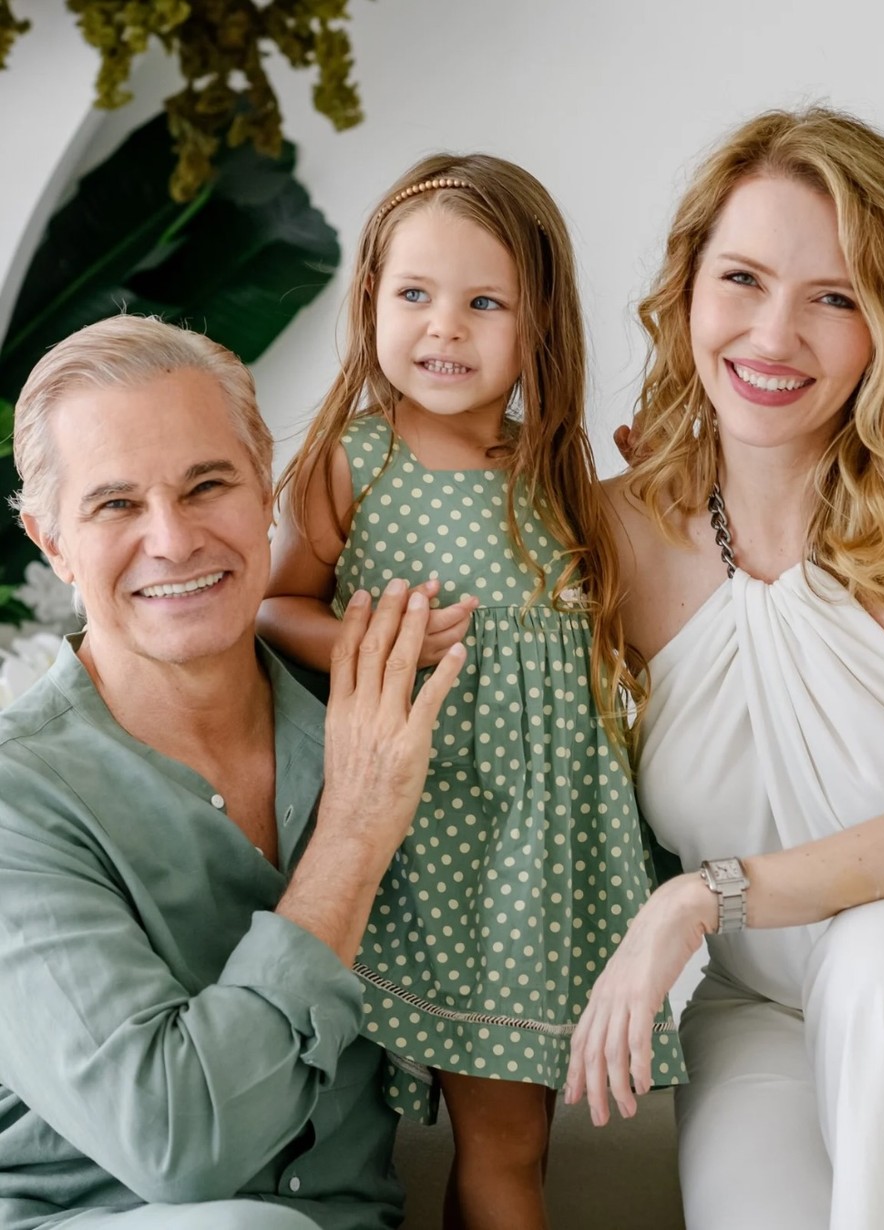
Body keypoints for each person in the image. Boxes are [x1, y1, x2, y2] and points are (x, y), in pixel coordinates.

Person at [564, 106, 884, 1229]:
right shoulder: (611, 535)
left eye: (834, 298)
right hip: (760, 1013)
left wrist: (702, 898)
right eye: (743, 279)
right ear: (687, 290)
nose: (773, 335)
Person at [255, 153, 685, 1229]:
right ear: (372, 301)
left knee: (518, 1138)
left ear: (541, 326)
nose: (444, 328)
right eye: (415, 294)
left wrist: (660, 497)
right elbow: (274, 605)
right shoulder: (356, 460)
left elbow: (617, 626)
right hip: (433, 842)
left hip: (545, 858)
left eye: (485, 303)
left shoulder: (559, 472)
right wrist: (369, 639)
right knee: (494, 1141)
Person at [0, 314, 467, 1230]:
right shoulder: (19, 797)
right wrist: (354, 836)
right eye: (116, 505)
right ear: (51, 542)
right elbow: (179, 1144)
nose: (173, 541)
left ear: (265, 490)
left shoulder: (372, 724)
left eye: (206, 485)